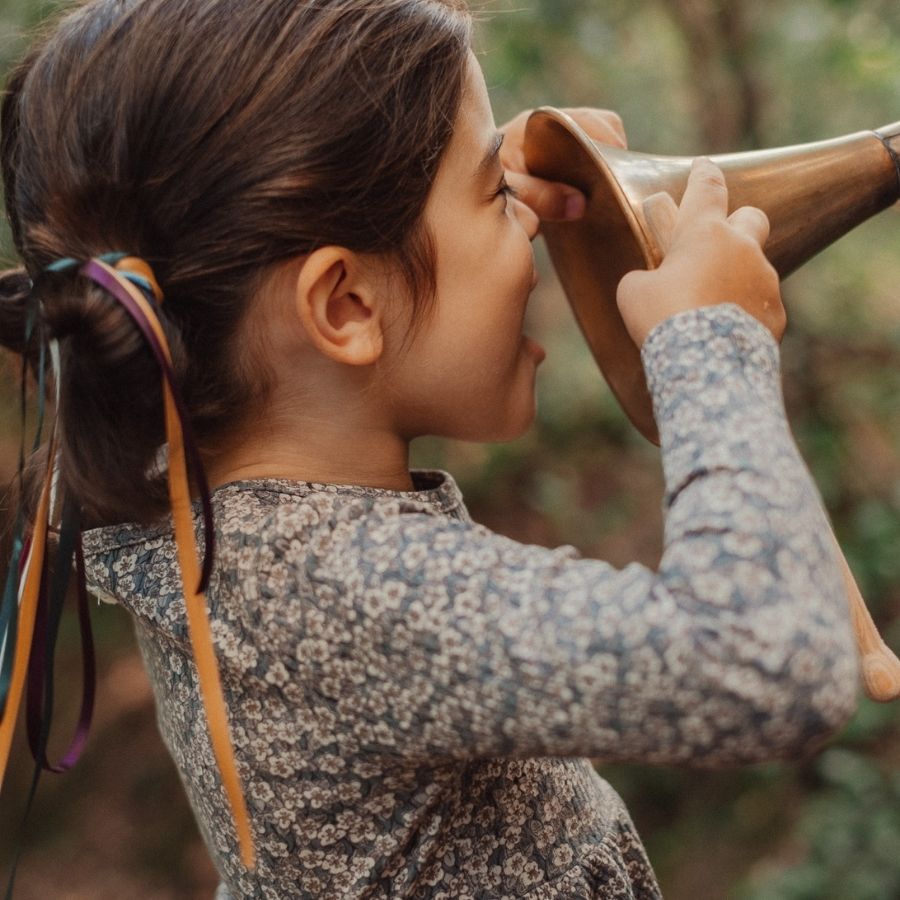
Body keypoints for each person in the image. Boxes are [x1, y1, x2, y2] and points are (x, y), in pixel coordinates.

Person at [0, 1, 858, 897]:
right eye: (497, 196)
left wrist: (478, 174)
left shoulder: (226, 512)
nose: (528, 218)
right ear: (345, 307)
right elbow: (766, 664)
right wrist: (710, 342)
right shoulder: (328, 585)